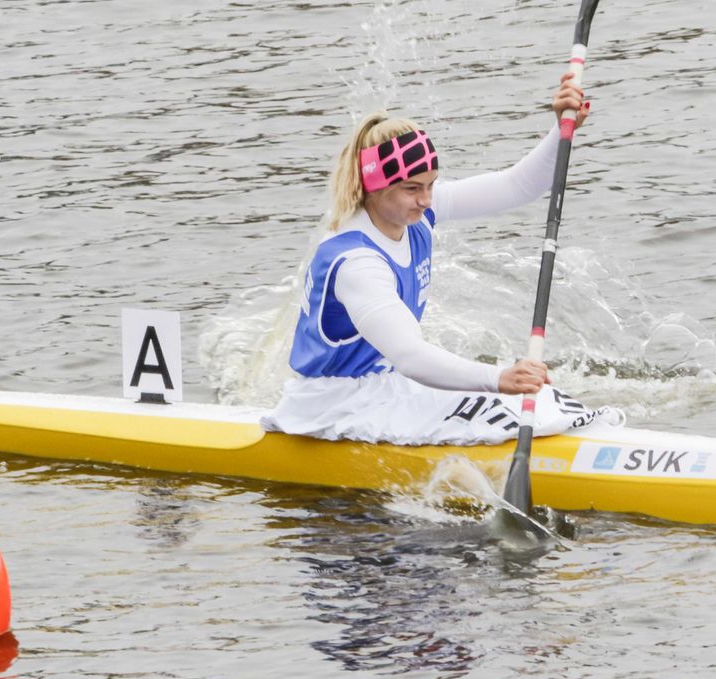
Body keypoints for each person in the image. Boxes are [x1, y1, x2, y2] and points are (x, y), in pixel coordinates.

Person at [262, 74, 623, 445]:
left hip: (384, 385)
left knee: (546, 402)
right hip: (334, 404)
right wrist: (499, 378)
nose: (426, 199)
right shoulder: (356, 261)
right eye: (412, 188)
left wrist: (561, 129)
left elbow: (518, 186)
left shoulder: (414, 215)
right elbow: (411, 357)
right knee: (505, 405)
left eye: (431, 184)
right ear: (374, 186)